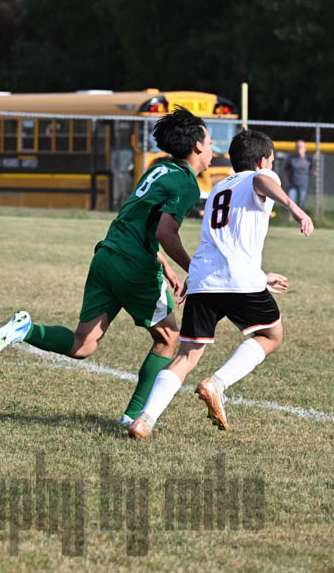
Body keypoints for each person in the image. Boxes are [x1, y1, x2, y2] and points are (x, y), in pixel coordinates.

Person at [0, 106, 214, 425]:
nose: (213, 149)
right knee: (167, 340)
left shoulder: (158, 170)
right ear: (198, 146)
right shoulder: (188, 183)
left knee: (83, 345)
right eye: (212, 141)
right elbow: (165, 231)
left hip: (107, 255)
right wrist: (195, 269)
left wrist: (164, 264)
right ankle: (134, 416)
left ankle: (26, 329)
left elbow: (139, 222)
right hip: (134, 266)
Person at [128, 129, 313, 439]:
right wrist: (294, 208)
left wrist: (260, 275)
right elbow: (262, 182)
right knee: (271, 334)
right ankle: (217, 383)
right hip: (236, 279)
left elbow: (227, 241)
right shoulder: (260, 178)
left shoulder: (218, 187)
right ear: (260, 161)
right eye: (270, 163)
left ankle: (144, 420)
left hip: (205, 280)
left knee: (187, 356)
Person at [283, 140, 317, 209]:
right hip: (292, 184)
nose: (299, 148)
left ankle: (299, 218)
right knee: (290, 202)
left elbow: (312, 172)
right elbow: (286, 170)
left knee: (301, 203)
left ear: (305, 148)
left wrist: (314, 161)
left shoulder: (308, 159)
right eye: (298, 146)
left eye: (301, 146)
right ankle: (290, 218)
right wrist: (287, 181)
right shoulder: (292, 159)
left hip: (303, 184)